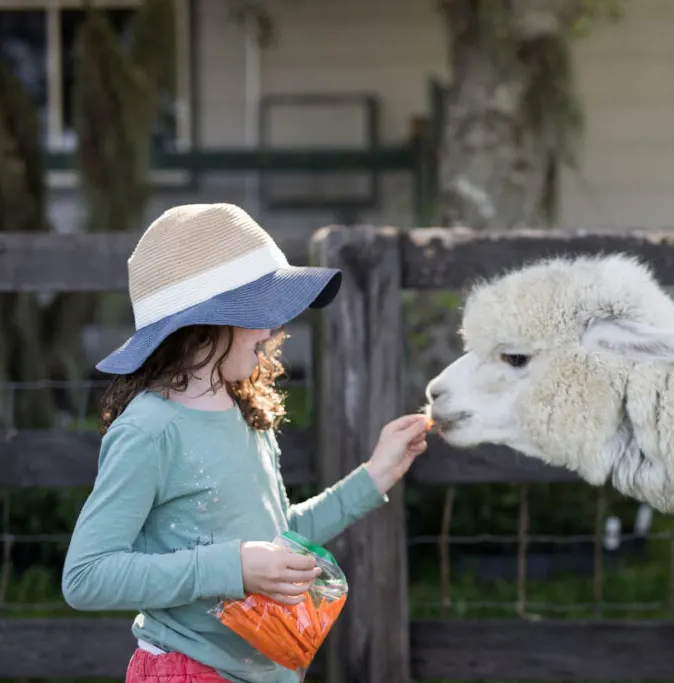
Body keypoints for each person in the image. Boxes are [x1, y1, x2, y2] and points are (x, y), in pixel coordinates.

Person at [61, 203, 429, 683]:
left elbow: (273, 533)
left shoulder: (242, 408)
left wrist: (376, 474)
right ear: (202, 324)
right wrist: (232, 566)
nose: (276, 329)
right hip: (190, 672)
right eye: (260, 311)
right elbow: (87, 577)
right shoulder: (149, 430)